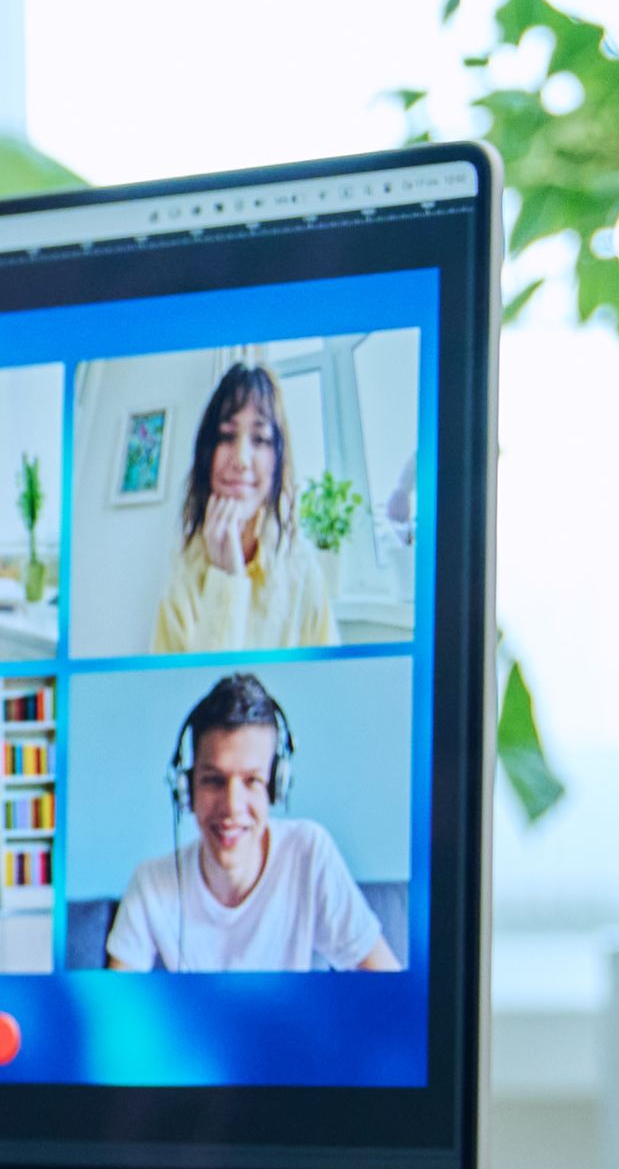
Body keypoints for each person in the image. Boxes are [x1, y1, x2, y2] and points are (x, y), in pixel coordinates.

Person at [98, 671, 398, 971]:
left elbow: (391, 984)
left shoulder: (309, 854)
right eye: (214, 780)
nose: (231, 806)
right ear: (188, 789)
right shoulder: (150, 884)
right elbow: (108, 999)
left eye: (252, 780)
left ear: (275, 786)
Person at [148, 359, 326, 649]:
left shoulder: (303, 571)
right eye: (227, 436)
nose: (241, 460)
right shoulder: (181, 577)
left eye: (260, 439)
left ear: (278, 460)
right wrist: (226, 579)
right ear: (207, 453)